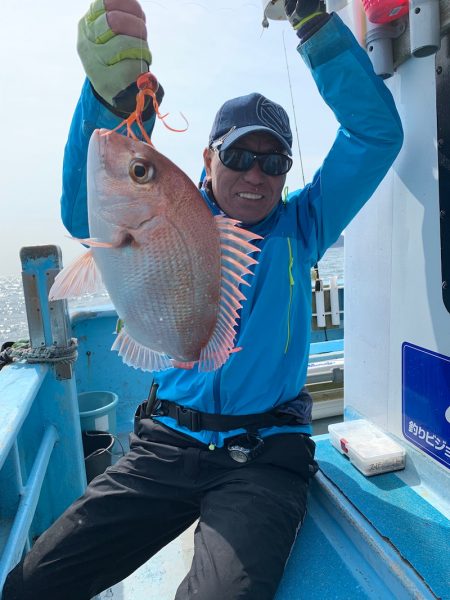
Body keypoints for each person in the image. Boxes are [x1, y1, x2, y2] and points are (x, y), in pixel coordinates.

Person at [2, 0, 403, 598]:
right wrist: (108, 96)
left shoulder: (306, 226)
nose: (255, 174)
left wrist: (315, 24)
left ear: (287, 173)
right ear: (207, 158)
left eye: (273, 162)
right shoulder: (172, 210)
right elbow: (88, 202)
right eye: (239, 156)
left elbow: (376, 133)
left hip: (265, 456)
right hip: (166, 442)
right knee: (33, 584)